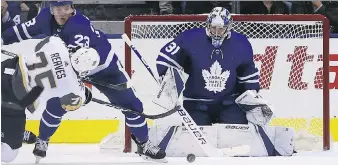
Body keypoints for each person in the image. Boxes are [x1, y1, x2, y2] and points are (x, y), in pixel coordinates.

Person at [1, 1, 166, 162]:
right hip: (71, 70)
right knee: (57, 105)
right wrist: (1, 39)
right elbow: (20, 31)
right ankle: (42, 140)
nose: (62, 12)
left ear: (72, 7)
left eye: (65, 7)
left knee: (131, 105)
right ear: (51, 9)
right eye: (57, 8)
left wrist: (81, 91)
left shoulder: (79, 25)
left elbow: (82, 62)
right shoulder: (44, 18)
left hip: (105, 70)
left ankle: (144, 144)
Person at [155, 7, 295, 156]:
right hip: (196, 103)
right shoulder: (190, 38)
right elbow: (166, 58)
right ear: (207, 25)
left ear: (229, 27)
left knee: (238, 140)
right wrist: (166, 79)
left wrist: (252, 96)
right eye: (213, 28)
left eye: (221, 29)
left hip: (229, 104)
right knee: (194, 146)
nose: (216, 32)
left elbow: (247, 74)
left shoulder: (241, 43)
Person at [1, 36, 92, 163]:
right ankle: (6, 130)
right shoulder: (74, 89)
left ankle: (9, 129)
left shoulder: (57, 43)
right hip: (14, 98)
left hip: (7, 69)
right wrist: (86, 94)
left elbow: (38, 47)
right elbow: (71, 104)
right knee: (7, 155)